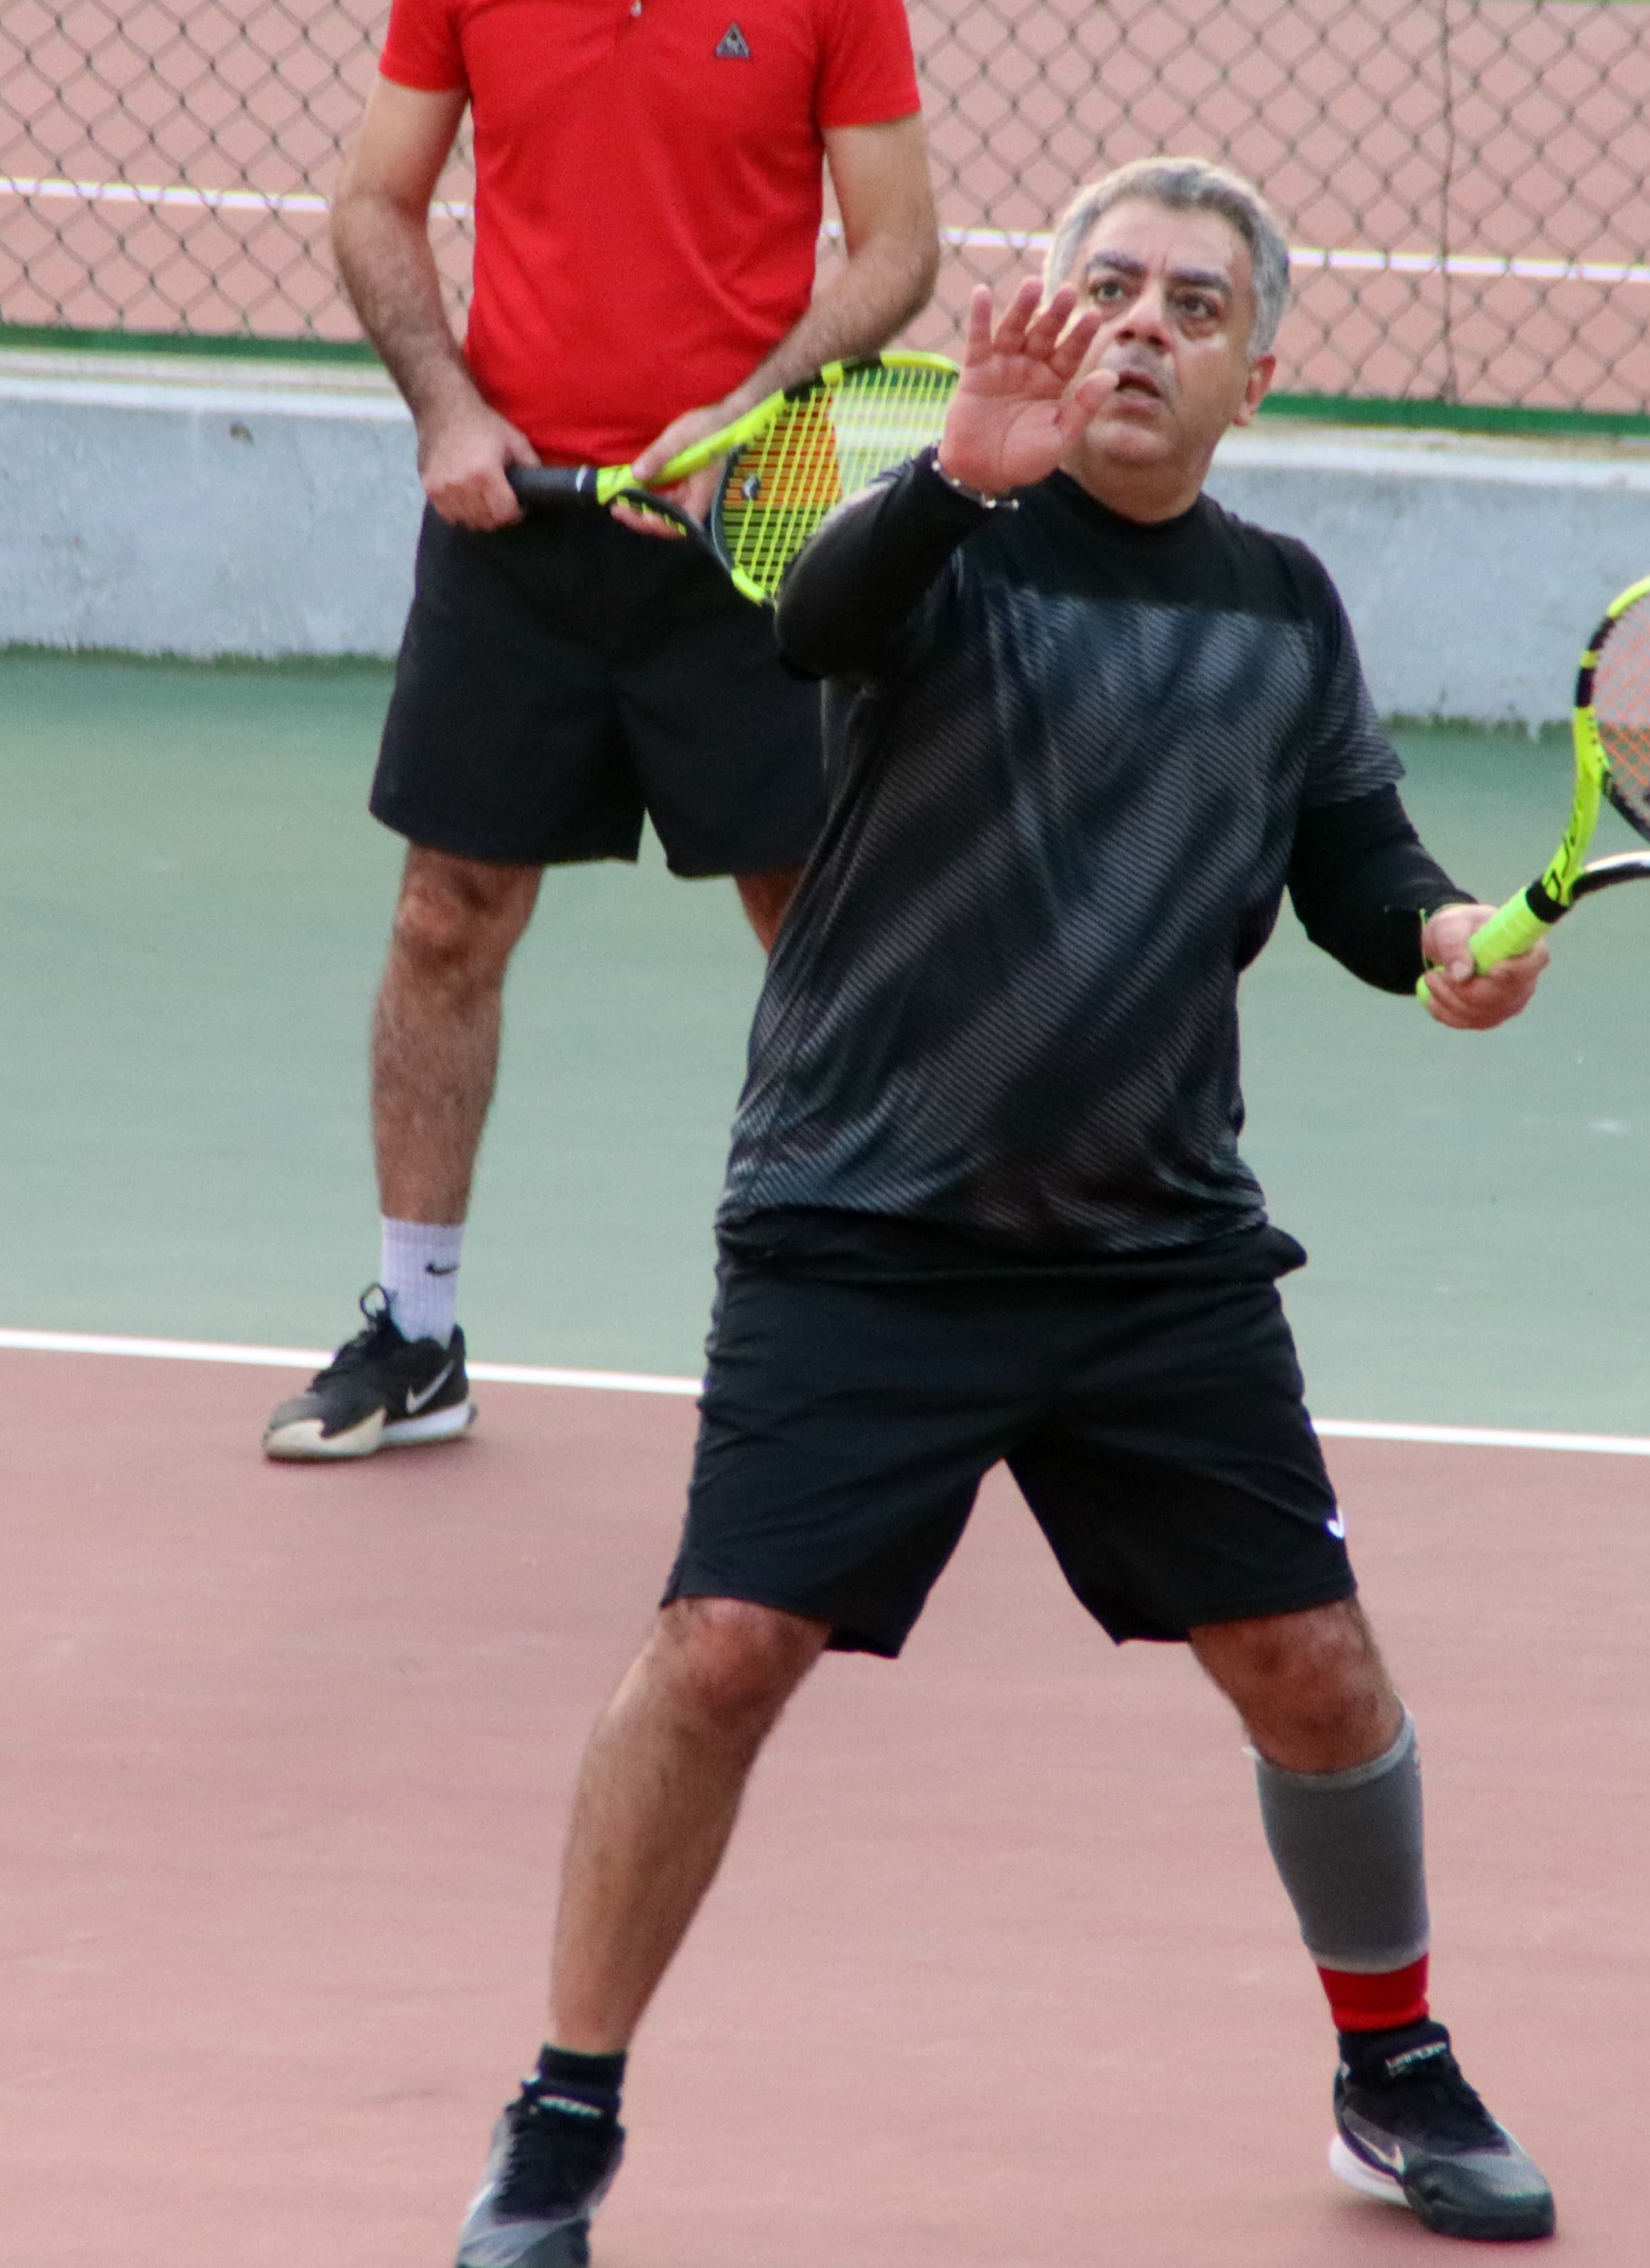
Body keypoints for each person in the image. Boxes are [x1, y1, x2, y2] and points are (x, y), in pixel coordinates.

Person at [452, 155, 1559, 2263]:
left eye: (1196, 307)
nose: (1142, 326)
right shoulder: (940, 538)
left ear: (1254, 377)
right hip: (863, 1219)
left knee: (1315, 1670)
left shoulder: (1282, 607)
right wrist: (959, 474)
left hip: (1155, 1249)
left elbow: (1354, 854)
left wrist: (1439, 940)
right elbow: (814, 625)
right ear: (1043, 317)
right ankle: (562, 2115)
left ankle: (1396, 2067)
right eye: (1108, 286)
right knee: (719, 1650)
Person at [261, 0, 937, 1461]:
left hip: (756, 522)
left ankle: (884, 1326)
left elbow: (898, 248)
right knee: (446, 919)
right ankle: (417, 1333)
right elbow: (376, 204)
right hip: (519, 522)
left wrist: (747, 419)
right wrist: (448, 409)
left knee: (821, 929)